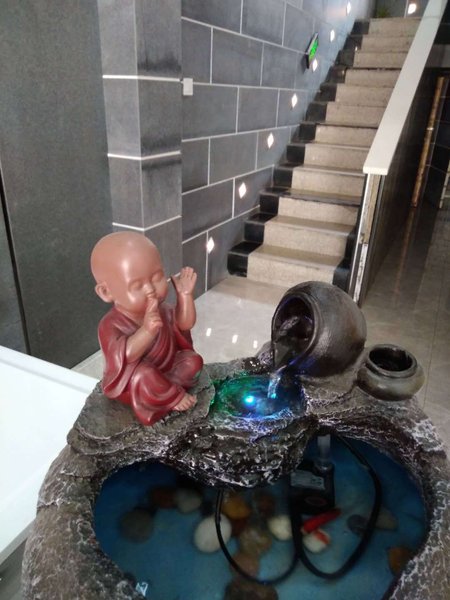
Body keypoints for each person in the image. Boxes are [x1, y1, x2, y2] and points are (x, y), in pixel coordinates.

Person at [90, 231, 203, 426]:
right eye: (137, 286)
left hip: (166, 371)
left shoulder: (163, 310)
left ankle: (160, 390)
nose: (150, 289)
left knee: (193, 361)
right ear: (106, 292)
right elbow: (125, 356)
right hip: (133, 382)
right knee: (144, 375)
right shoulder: (110, 325)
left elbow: (184, 324)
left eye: (157, 278)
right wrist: (147, 331)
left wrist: (185, 296)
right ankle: (168, 395)